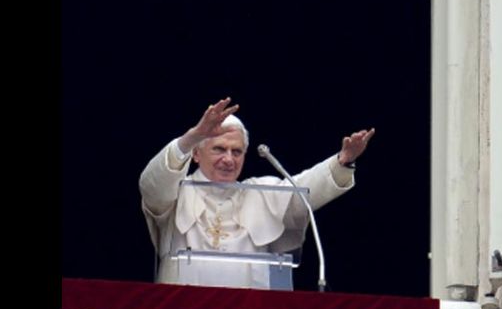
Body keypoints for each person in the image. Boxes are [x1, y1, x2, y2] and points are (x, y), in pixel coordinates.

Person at [139, 97, 374, 289]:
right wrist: (192, 137)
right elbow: (151, 185)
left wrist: (342, 161)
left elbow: (302, 190)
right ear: (196, 154)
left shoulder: (260, 194)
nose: (229, 159)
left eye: (237, 152)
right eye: (219, 149)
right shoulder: (176, 191)